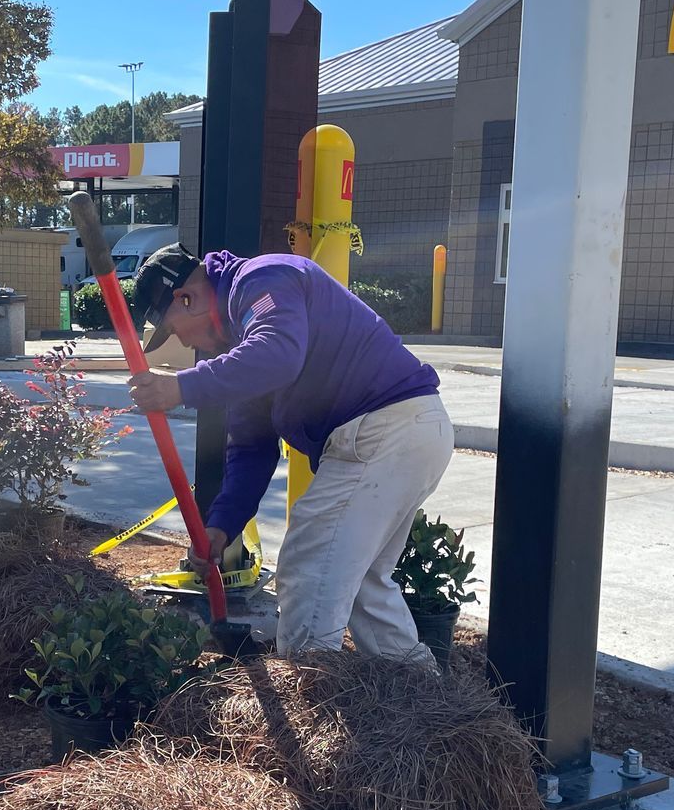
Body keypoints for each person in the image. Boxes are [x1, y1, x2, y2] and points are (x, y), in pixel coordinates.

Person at [125, 244, 453, 663]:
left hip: (384, 428)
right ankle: (422, 700)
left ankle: (309, 696)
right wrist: (221, 527)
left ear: (185, 299)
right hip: (408, 429)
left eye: (175, 331)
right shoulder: (245, 343)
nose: (184, 343)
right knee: (364, 583)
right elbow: (250, 446)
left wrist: (181, 387)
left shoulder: (264, 278)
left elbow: (278, 353)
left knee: (307, 566)